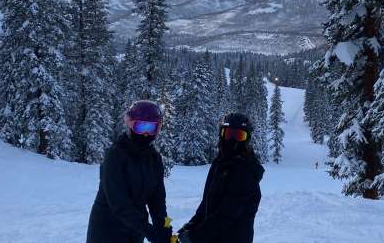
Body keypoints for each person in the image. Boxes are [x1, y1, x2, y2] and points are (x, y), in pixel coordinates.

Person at [87, 100, 173, 243]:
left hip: (136, 229)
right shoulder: (115, 155)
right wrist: (149, 230)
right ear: (130, 124)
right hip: (107, 229)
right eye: (141, 127)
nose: (146, 134)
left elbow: (157, 200)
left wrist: (164, 227)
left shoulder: (154, 159)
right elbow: (118, 202)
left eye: (151, 128)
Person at [178, 113, 264, 243]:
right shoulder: (220, 163)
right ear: (221, 134)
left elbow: (227, 214)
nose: (232, 140)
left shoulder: (246, 171)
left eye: (239, 136)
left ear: (247, 139)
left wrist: (195, 236)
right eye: (228, 134)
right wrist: (192, 224)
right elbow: (207, 202)